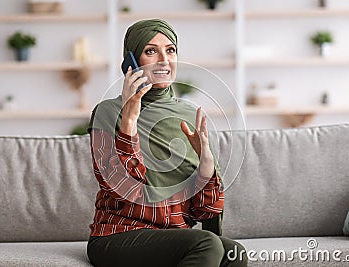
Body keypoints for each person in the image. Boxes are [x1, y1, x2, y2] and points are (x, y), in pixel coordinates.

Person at [87, 19, 247, 267]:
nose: (164, 59)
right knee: (207, 244)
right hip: (119, 234)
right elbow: (122, 188)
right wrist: (129, 117)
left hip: (174, 234)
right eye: (151, 51)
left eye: (170, 50)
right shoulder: (107, 112)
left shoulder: (186, 115)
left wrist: (207, 166)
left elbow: (203, 212)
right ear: (131, 61)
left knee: (234, 252)